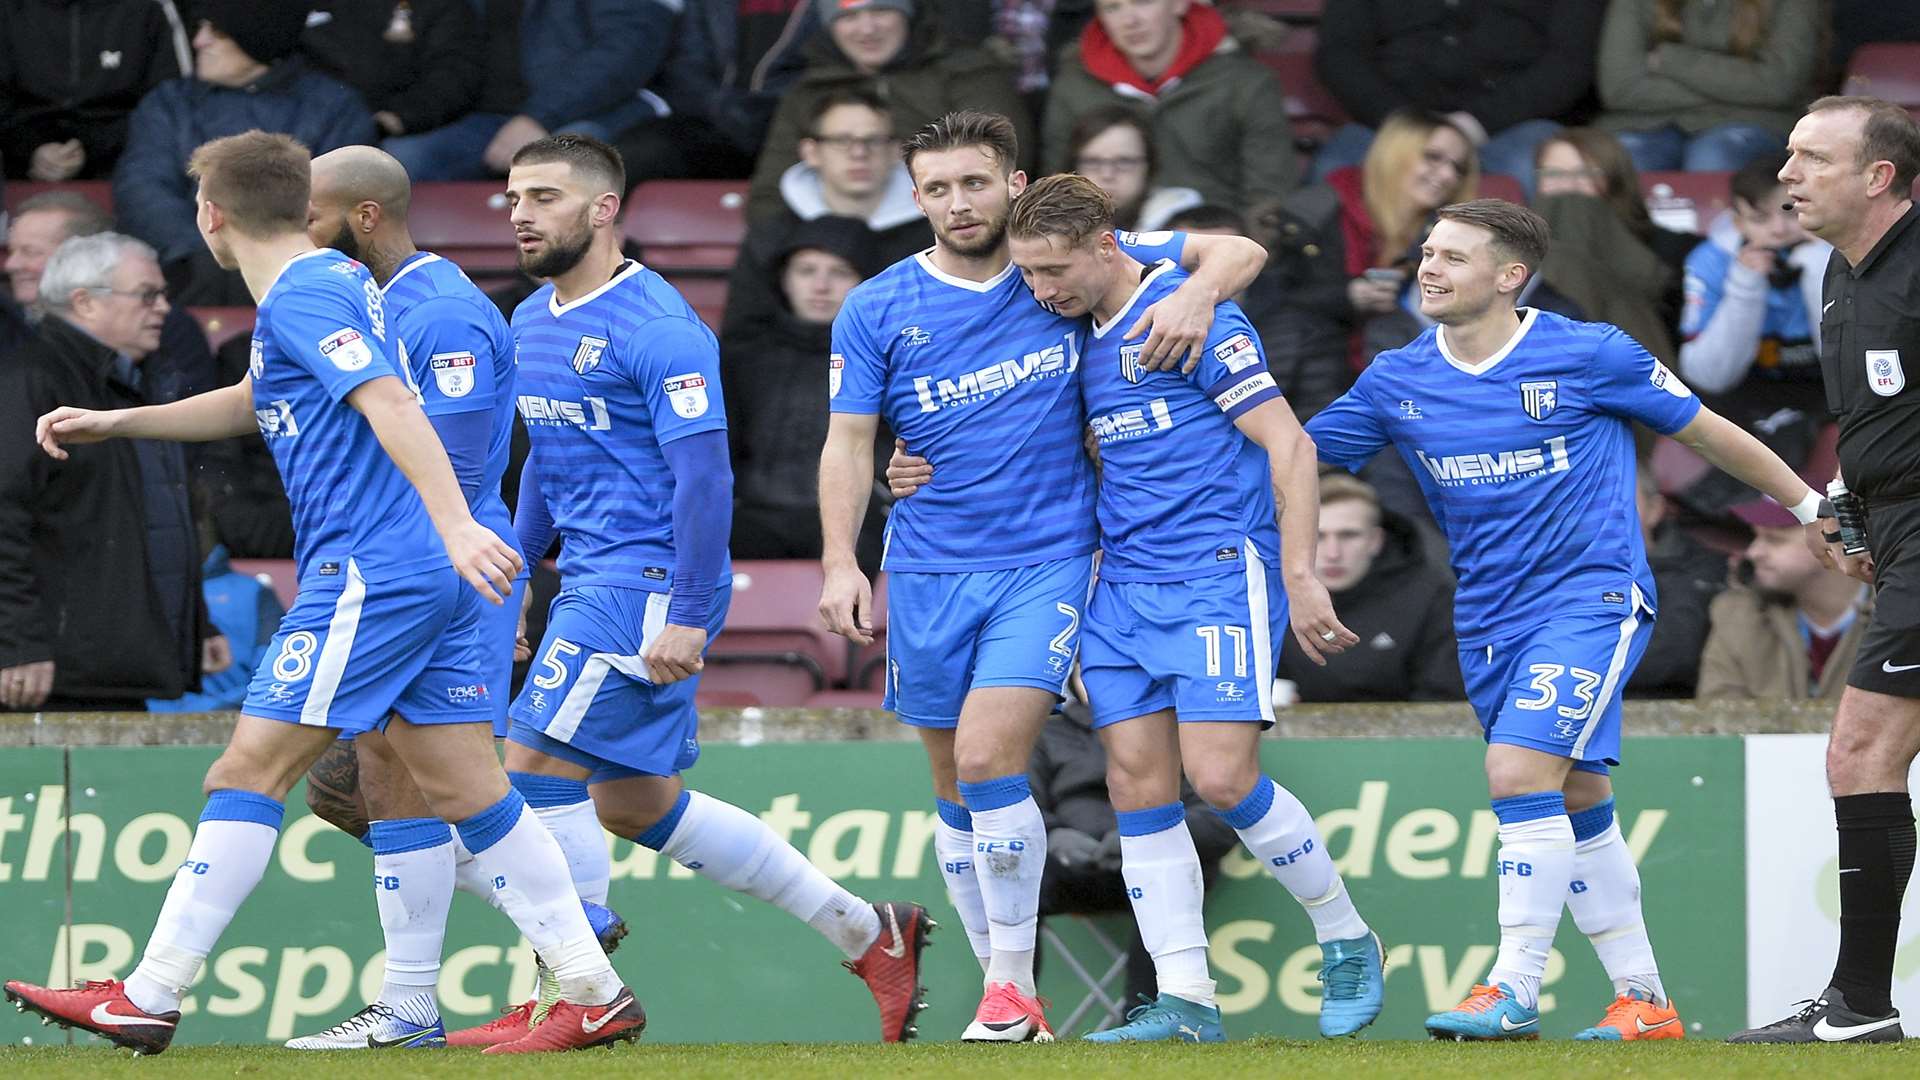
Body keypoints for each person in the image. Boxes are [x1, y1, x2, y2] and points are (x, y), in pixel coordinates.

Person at [0, 130, 636, 1056]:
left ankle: (149, 991)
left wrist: (459, 524)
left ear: (211, 217)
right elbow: (261, 398)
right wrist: (120, 421)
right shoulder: (328, 287)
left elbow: (390, 404)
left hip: (375, 570)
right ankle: (591, 986)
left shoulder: (304, 294)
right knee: (465, 782)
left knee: (245, 772)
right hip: (426, 566)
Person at [1303, 198, 1824, 1041]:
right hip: (1487, 614)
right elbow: (1293, 458)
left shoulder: (1587, 353)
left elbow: (1707, 431)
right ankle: (1645, 1000)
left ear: (1511, 276)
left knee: (1517, 776)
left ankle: (1512, 986)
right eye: (1426, 253)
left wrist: (1806, 505)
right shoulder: (1397, 378)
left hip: (1591, 595)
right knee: (1577, 794)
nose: (1427, 268)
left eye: (1452, 257)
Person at [816, 109, 1266, 1041]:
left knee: (989, 757)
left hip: (1052, 560)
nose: (956, 202)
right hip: (930, 564)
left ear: (1014, 183)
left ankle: (1012, 991)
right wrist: (839, 558)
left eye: (974, 182)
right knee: (952, 786)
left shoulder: (1057, 266)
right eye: (936, 188)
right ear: (916, 199)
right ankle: (999, 984)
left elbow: (1232, 249)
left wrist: (1193, 296)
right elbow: (849, 443)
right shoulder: (876, 307)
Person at [484, 134, 934, 1047]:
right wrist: (518, 570)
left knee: (528, 778)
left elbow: (706, 482)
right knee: (632, 803)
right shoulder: (530, 318)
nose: (520, 214)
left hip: (640, 586)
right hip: (585, 581)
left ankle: (579, 994)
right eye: (513, 197)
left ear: (605, 209)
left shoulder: (661, 328)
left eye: (542, 196)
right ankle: (867, 931)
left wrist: (691, 612)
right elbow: (547, 457)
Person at [1001, 172, 1382, 1042]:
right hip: (1121, 586)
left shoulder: (1188, 315)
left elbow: (1289, 442)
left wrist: (1300, 573)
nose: (1040, 290)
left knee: (1221, 778)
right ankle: (1184, 1000)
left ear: (1109, 248)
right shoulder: (1075, 326)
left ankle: (1346, 935)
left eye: (1052, 270)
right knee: (1138, 784)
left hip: (1215, 572)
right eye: (1026, 274)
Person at [276, 144, 594, 1052]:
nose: (299, 237)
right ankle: (460, 986)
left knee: (424, 784)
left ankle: (571, 946)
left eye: (312, 217)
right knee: (369, 784)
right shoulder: (365, 302)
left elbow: (447, 470)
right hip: (397, 570)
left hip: (438, 577)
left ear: (364, 217)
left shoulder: (441, 311)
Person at [1730, 95, 1920, 1044]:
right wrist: (1843, 498)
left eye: (1810, 158)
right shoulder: (1843, 276)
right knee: (1866, 758)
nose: (1786, 174)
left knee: (1859, 755)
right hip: (1899, 537)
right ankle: (1860, 1007)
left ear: (1877, 175)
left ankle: (1859, 1008)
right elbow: (1883, 420)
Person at [0, 232, 226, 711]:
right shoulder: (30, 382)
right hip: (50, 673)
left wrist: (195, 623)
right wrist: (17, 644)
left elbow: (158, 515)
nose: (164, 307)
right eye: (148, 294)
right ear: (84, 302)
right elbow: (4, 517)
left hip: (105, 666)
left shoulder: (135, 380)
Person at [114, 5, 374, 305]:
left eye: (217, 31)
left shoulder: (334, 108)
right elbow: (142, 186)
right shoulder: (169, 103)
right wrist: (207, 251)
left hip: (297, 280)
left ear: (258, 38)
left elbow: (337, 202)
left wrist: (266, 255)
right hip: (187, 272)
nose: (199, 41)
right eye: (200, 28)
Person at [1244, 111, 1480, 421]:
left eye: (1458, 168)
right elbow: (1265, 306)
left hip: (1395, 390)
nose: (1447, 176)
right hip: (1306, 380)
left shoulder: (1450, 235)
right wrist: (1347, 297)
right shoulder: (1314, 212)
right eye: (1433, 158)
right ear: (1394, 153)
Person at [1028, 690, 1238, 1011]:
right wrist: (1053, 836)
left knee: (1170, 875)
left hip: (1152, 868)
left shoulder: (1181, 733)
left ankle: (1147, 1014)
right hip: (1065, 868)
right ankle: (1017, 1006)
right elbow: (1018, 806)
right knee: (1015, 875)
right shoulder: (1045, 733)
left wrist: (1147, 839)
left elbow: (1218, 819)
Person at [745, 0, 1033, 222]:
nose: (867, 29)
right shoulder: (808, 91)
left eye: (881, 11)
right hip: (833, 249)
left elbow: (1004, 164)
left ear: (907, 14)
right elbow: (769, 195)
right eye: (848, 16)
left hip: (948, 234)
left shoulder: (968, 72)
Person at [723, 215, 888, 571]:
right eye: (806, 270)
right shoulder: (741, 356)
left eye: (840, 272)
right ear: (783, 278)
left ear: (868, 283)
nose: (821, 286)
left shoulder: (891, 357)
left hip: (857, 519)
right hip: (754, 514)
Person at [1311, 0, 1605, 190]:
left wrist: (1475, 124)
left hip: (1513, 124)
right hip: (1391, 121)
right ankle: (1341, 288)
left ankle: (1539, 287)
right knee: (1336, 168)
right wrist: (1407, 124)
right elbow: (1339, 56)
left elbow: (1569, 65)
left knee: (1549, 170)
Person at [1040, 0, 1293, 217]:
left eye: (1144, 2)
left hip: (1217, 244)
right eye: (1112, 7)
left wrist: (1243, 259)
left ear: (1180, 3)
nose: (1130, 20)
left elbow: (1268, 196)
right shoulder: (1073, 87)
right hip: (1109, 249)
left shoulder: (1246, 83)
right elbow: (1056, 189)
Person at [379, 0, 680, 182]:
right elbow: (451, 57)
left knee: (568, 157)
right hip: (485, 120)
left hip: (597, 111)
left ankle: (547, 283)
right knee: (398, 163)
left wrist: (539, 118)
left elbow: (625, 53)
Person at [721, 90, 932, 348]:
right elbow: (742, 339)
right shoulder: (772, 234)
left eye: (873, 140)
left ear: (895, 151)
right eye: (841, 140)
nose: (858, 153)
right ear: (811, 152)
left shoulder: (932, 237)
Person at [2, 191, 219, 409]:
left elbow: (200, 423)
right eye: (11, 251)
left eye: (30, 252)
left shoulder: (164, 325)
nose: (11, 265)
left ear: (82, 255)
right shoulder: (6, 320)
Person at [1678, 152, 1832, 433]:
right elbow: (1708, 377)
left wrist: (1822, 264)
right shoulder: (1710, 260)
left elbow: (1859, 372)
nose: (1778, 230)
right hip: (1746, 392)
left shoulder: (1846, 250)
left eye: (1790, 211)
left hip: (1829, 389)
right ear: (1739, 223)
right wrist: (1745, 285)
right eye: (1760, 218)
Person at [1278, 473, 1462, 703]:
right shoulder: (1268, 597)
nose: (1333, 553)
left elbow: (1444, 701)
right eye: (1319, 536)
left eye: (1348, 535)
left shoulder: (1431, 598)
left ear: (1376, 540)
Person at [1595, 0, 1822, 174]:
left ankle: (1724, 237)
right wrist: (1738, 86)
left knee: (1713, 156)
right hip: (1646, 121)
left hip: (1752, 124)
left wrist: (1669, 59)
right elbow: (1620, 87)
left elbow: (1777, 85)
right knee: (1622, 159)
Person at [1698, 497, 1870, 701]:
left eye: (1774, 539)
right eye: (1755, 536)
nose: (1753, 552)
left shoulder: (1902, 613)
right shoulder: (1738, 613)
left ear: (1833, 541)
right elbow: (1718, 718)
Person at [628, 0, 820, 183]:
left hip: (800, 123)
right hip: (719, 122)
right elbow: (686, 66)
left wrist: (763, 111)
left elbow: (829, 70)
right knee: (632, 157)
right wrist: (724, 108)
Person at [1533, 128, 1699, 337]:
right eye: (1553, 174)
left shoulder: (1673, 249)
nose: (1567, 185)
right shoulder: (1513, 250)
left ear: (1615, 181)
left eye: (1584, 174)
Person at [0, 0, 190, 181]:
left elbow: (170, 107)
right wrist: (30, 149)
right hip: (15, 165)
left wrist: (93, 148)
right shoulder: (8, 9)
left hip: (125, 166)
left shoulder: (149, 8)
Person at [300, 0, 483, 144]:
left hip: (390, 123)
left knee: (401, 158)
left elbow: (453, 76)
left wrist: (398, 118)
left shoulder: (440, 6)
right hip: (309, 119)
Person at [1627, 461, 1726, 697]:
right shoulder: (1557, 569)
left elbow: (1673, 656)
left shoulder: (1700, 568)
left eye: (1619, 499)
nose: (1605, 513)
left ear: (1656, 509)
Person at [1064, 106, 1202, 233]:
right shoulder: (1049, 223)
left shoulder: (1181, 223)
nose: (1107, 174)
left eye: (1124, 162)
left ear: (1150, 166)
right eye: (1092, 162)